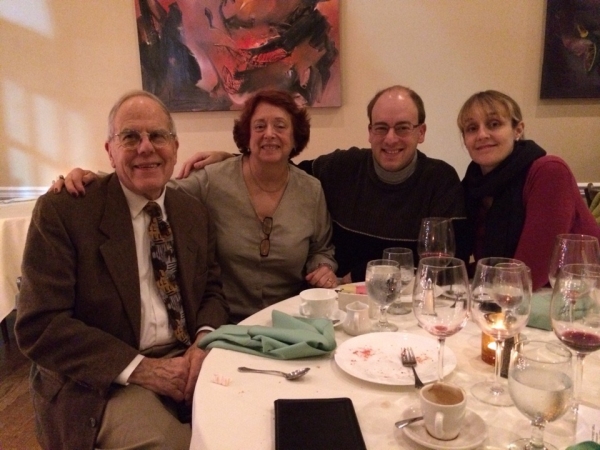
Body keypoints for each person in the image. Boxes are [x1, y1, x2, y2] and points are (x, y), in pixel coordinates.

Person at [15, 90, 229, 450]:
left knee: (255, 422)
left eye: (158, 135)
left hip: (187, 362)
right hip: (103, 380)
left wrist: (202, 342)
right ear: (110, 151)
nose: (146, 148)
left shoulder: (192, 211)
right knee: (176, 446)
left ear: (175, 147)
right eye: (130, 137)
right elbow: (40, 325)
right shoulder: (65, 212)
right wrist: (142, 368)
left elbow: (211, 289)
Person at [53, 89, 337, 324]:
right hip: (226, 324)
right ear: (247, 136)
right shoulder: (214, 180)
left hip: (293, 320)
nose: (269, 134)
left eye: (280, 126)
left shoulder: (311, 190)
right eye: (259, 126)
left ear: (295, 135)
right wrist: (96, 180)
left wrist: (322, 267)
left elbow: (321, 248)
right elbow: (155, 188)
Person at [177, 85, 466, 283]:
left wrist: (347, 275)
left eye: (402, 128)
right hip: (343, 308)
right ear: (369, 132)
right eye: (381, 128)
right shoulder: (341, 168)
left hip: (409, 302)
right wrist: (231, 159)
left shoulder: (440, 179)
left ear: (421, 132)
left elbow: (448, 263)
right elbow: (279, 167)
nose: (390, 138)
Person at [457, 90, 600, 291]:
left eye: (494, 124)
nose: (482, 135)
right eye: (472, 128)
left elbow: (530, 272)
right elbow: (487, 267)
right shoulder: (472, 186)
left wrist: (466, 278)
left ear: (518, 130)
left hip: (578, 296)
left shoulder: (549, 171)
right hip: (513, 294)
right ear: (465, 139)